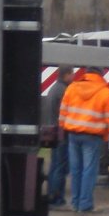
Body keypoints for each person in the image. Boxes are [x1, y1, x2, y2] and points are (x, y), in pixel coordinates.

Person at [59, 67, 109, 213]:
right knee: (89, 171)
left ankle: (75, 203)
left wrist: (62, 128)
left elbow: (63, 111)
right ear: (100, 75)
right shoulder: (106, 93)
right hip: (92, 137)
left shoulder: (72, 88)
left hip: (73, 135)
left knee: (75, 170)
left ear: (86, 74)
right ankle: (85, 204)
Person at [41, 65, 73, 208]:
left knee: (54, 166)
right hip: (61, 133)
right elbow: (66, 112)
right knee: (60, 166)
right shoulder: (63, 91)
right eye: (72, 74)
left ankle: (51, 195)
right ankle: (56, 197)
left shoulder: (54, 88)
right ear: (66, 74)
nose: (73, 77)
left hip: (53, 131)